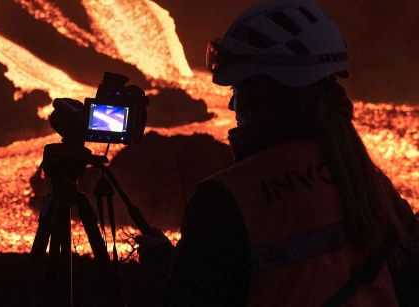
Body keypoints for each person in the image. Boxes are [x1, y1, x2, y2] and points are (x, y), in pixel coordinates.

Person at [136, 0, 419, 306]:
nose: (232, 106)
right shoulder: (370, 183)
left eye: (236, 90)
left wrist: (159, 269)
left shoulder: (226, 199)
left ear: (263, 94)